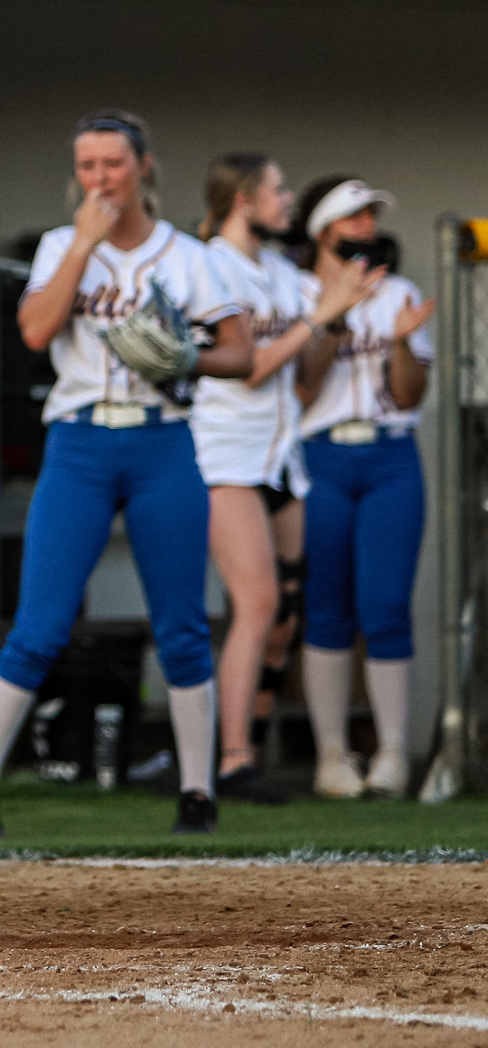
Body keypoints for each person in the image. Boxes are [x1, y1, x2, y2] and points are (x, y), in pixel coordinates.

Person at [0, 112, 253, 842]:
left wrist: (186, 361)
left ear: (144, 167)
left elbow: (239, 355)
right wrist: (83, 241)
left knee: (180, 625)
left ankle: (198, 795)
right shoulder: (60, 245)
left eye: (113, 164)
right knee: (41, 625)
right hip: (80, 442)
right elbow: (34, 331)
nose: (100, 178)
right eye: (87, 165)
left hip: (162, 442)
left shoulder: (188, 254)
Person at [191, 155, 377, 805]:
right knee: (258, 605)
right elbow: (248, 366)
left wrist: (338, 312)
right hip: (226, 458)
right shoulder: (210, 263)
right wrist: (314, 318)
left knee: (284, 612)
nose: (288, 200)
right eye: (277, 191)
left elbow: (307, 375)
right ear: (243, 200)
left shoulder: (277, 271)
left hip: (279, 458)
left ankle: (246, 744)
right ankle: (232, 760)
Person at [292, 177, 435, 800]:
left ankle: (393, 755)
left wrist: (401, 340)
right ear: (323, 231)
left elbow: (409, 394)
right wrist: (335, 314)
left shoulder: (399, 291)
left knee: (385, 606)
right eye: (353, 218)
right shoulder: (294, 291)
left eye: (372, 217)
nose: (367, 228)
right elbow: (300, 386)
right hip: (318, 455)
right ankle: (331, 757)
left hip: (389, 455)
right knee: (325, 607)